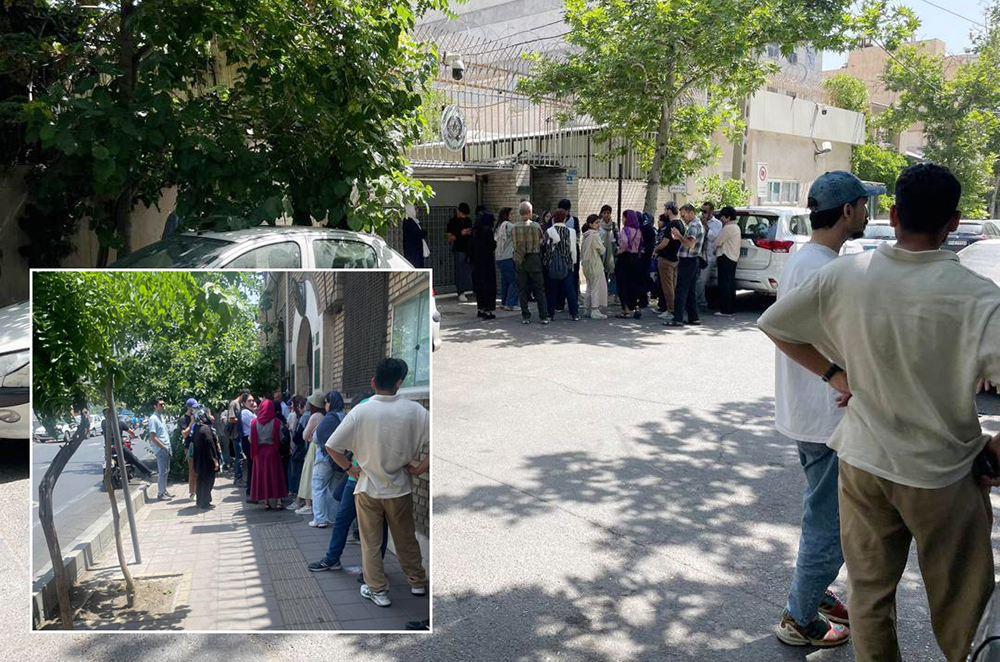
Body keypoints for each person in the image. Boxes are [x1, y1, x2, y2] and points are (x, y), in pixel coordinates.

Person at [758, 163, 1000, 662]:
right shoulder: (979, 298)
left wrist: (834, 374)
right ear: (953, 223)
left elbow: (775, 324)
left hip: (863, 463)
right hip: (941, 473)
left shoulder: (847, 274)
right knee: (963, 608)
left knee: (868, 598)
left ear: (894, 215)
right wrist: (995, 452)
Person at [765, 173, 881, 648]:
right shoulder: (826, 268)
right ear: (848, 210)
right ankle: (799, 619)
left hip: (811, 415)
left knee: (823, 515)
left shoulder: (805, 257)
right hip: (829, 418)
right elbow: (777, 329)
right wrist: (836, 374)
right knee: (829, 526)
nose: (869, 212)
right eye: (864, 204)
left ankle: (815, 594)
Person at [325, 358, 429, 608]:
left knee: (370, 543)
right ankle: (417, 582)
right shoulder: (416, 411)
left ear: (373, 382)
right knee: (406, 538)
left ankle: (377, 590)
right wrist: (418, 469)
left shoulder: (360, 412)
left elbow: (331, 446)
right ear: (399, 383)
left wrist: (350, 469)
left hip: (367, 488)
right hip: (399, 488)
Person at [308, 391, 390, 574]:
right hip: (360, 477)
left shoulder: (374, 414)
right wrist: (349, 468)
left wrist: (348, 467)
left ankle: (371, 571)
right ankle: (338, 559)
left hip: (368, 479)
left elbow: (331, 445)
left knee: (370, 525)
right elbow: (333, 445)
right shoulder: (374, 413)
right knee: (357, 521)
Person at [309, 390, 346, 528]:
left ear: (331, 403)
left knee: (318, 486)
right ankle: (333, 517)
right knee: (333, 489)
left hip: (325, 457)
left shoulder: (328, 418)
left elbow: (315, 439)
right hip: (340, 459)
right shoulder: (345, 417)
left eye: (326, 403)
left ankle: (319, 519)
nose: (325, 406)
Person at [664, 204, 704, 327]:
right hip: (693, 260)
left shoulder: (693, 226)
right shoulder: (697, 224)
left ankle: (678, 319)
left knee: (681, 290)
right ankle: (693, 317)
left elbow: (690, 244)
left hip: (688, 261)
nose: (683, 218)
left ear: (691, 212)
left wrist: (679, 236)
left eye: (684, 215)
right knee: (690, 290)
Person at [512, 200, 550, 325]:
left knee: (522, 289)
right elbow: (542, 241)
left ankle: (525, 316)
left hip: (520, 259)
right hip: (534, 258)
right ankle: (543, 316)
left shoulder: (514, 227)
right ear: (530, 212)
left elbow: (513, 243)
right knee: (539, 288)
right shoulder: (536, 226)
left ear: (520, 212)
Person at [249, 398, 288, 510]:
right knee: (275, 476)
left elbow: (251, 439)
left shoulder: (254, 423)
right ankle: (279, 501)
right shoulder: (276, 422)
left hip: (259, 453)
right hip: (272, 452)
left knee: (262, 477)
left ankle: (266, 502)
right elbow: (281, 438)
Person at [543, 208, 580, 321]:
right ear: (565, 219)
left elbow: (546, 248)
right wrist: (572, 264)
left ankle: (550, 314)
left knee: (551, 290)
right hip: (567, 264)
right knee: (570, 290)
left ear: (553, 219)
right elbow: (573, 250)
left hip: (552, 264)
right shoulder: (571, 232)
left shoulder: (549, 231)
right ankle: (574, 313)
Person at [295, 389, 326, 515]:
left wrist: (309, 437)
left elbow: (304, 435)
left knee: (308, 474)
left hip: (313, 446)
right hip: (321, 446)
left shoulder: (315, 416)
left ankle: (308, 504)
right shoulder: (324, 415)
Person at [101, 408, 154, 481]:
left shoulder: (103, 423)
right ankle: (148, 472)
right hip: (119, 446)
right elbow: (131, 432)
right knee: (133, 459)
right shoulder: (120, 423)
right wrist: (133, 435)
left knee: (107, 461)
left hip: (108, 448)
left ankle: (105, 478)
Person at [655, 204, 685, 319]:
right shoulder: (681, 223)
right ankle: (674, 309)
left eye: (665, 209)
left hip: (666, 258)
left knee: (667, 287)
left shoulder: (671, 224)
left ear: (669, 210)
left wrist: (656, 249)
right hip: (676, 258)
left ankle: (670, 310)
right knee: (673, 285)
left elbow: (665, 242)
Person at [614, 210, 643, 319]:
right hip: (635, 258)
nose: (622, 219)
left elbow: (624, 243)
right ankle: (636, 307)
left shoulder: (625, 230)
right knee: (633, 284)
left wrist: (619, 251)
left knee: (623, 284)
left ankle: (625, 310)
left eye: (623, 217)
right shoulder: (638, 231)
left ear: (627, 218)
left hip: (624, 258)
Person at [713, 206, 741, 317]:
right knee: (730, 283)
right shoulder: (736, 227)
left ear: (728, 217)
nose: (721, 219)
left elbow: (717, 242)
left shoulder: (728, 228)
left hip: (725, 256)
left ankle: (725, 310)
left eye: (723, 217)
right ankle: (730, 308)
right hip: (733, 257)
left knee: (724, 284)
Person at [471, 210, 498, 320]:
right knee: (489, 287)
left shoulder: (475, 231)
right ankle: (488, 311)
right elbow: (491, 246)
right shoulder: (488, 232)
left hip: (477, 264)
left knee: (480, 288)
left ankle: (480, 309)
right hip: (487, 264)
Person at [695, 201, 722, 311]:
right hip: (698, 254)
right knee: (695, 279)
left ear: (711, 211)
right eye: (701, 211)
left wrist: (705, 225)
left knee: (702, 280)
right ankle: (698, 302)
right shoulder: (698, 221)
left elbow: (713, 237)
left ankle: (700, 303)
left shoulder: (717, 224)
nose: (703, 213)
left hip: (708, 255)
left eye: (705, 211)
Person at [580, 214, 608, 319]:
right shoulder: (594, 235)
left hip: (586, 264)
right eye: (596, 223)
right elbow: (602, 250)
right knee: (595, 287)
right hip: (595, 264)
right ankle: (595, 310)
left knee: (589, 287)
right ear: (591, 224)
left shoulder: (586, 235)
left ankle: (587, 309)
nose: (598, 224)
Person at [446, 202, 474, 303]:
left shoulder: (468, 220)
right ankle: (460, 292)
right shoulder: (452, 222)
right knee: (460, 271)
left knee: (468, 271)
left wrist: (469, 232)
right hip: (459, 249)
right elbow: (449, 237)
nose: (463, 216)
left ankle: (469, 289)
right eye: (462, 214)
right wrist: (460, 233)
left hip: (468, 249)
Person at [192, 409, 219, 510]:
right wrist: (215, 460)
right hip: (207, 460)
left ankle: (200, 501)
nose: (211, 416)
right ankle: (205, 502)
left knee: (201, 480)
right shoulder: (206, 429)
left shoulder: (197, 427)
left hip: (199, 459)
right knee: (208, 481)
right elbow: (210, 444)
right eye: (209, 414)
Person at [494, 207, 519, 311]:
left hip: (499, 257)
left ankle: (504, 302)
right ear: (507, 215)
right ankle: (511, 303)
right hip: (508, 256)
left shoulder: (498, 226)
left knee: (505, 281)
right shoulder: (509, 225)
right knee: (514, 280)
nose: (513, 216)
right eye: (511, 214)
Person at [148, 398, 172, 500]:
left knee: (166, 471)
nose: (163, 406)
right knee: (162, 472)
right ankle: (160, 493)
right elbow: (152, 436)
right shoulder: (153, 419)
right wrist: (163, 446)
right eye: (161, 404)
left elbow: (164, 434)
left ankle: (164, 491)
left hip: (166, 448)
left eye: (163, 404)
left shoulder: (161, 418)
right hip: (161, 449)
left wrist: (169, 448)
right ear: (155, 406)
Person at [177, 397, 201, 500]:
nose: (195, 409)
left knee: (200, 469)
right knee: (192, 470)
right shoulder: (183, 419)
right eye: (193, 407)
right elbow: (184, 434)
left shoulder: (197, 416)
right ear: (189, 407)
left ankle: (200, 490)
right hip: (189, 447)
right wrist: (191, 423)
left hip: (198, 445)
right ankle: (192, 492)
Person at [289, 397, 311, 508]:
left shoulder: (305, 417)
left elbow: (298, 436)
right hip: (307, 449)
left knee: (300, 474)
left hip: (302, 449)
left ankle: (300, 499)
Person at [228, 391, 249, 486]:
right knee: (239, 457)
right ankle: (238, 478)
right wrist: (241, 419)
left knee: (241, 456)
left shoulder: (240, 404)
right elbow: (230, 419)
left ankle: (239, 477)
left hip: (240, 434)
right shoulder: (233, 404)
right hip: (236, 434)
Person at [402, 203, 429, 269]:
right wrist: (423, 232)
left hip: (415, 252)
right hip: (413, 253)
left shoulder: (412, 221)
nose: (417, 211)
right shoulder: (409, 221)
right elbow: (419, 234)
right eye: (415, 209)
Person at [599, 205, 617, 302]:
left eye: (608, 213)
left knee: (611, 272)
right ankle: (602, 292)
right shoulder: (598, 224)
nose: (606, 215)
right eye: (604, 213)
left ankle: (611, 292)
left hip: (611, 251)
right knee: (602, 272)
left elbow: (617, 237)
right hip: (601, 250)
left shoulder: (613, 225)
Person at [241, 395, 257, 500]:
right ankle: (251, 489)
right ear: (243, 402)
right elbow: (256, 422)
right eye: (249, 401)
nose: (251, 402)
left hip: (249, 439)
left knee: (252, 465)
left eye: (252, 400)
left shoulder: (249, 412)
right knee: (252, 465)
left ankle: (251, 489)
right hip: (248, 440)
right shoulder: (246, 413)